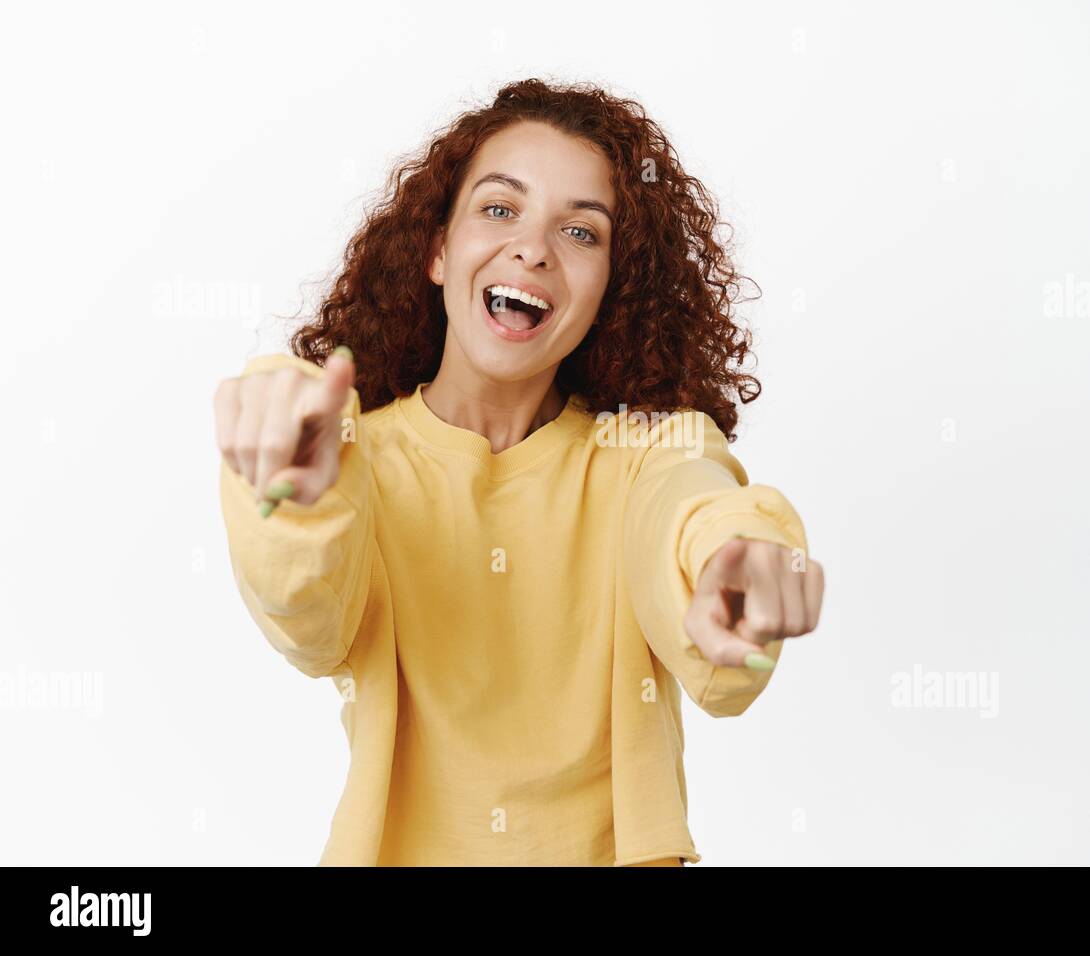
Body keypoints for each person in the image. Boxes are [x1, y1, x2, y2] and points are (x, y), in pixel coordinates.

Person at [213, 78, 825, 866]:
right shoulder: (357, 457)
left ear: (611, 288)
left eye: (581, 232)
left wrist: (737, 569)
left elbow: (694, 506)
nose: (533, 247)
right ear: (437, 250)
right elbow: (308, 617)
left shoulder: (646, 454)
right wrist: (291, 490)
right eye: (500, 209)